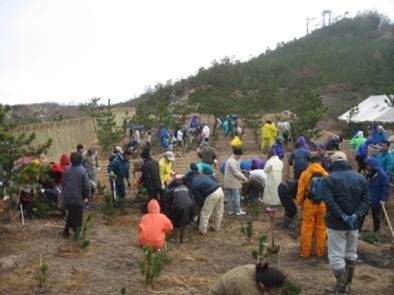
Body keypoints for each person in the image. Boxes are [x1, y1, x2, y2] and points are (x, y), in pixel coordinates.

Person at [324, 151, 370, 293]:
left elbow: (329, 201)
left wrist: (343, 216)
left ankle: (340, 287)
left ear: (332, 162)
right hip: (354, 224)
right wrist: (356, 215)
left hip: (336, 223)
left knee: (336, 256)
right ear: (346, 161)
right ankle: (348, 285)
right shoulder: (360, 178)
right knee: (350, 253)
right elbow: (367, 200)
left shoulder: (330, 179)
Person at [295, 156, 328, 257]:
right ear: (320, 162)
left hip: (309, 204)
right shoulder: (326, 174)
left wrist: (299, 204)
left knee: (307, 228)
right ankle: (320, 251)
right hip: (322, 204)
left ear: (310, 163)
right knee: (321, 228)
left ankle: (305, 252)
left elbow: (300, 191)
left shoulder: (305, 174)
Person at [209, 262, 286, 295]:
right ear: (262, 285)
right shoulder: (248, 287)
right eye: (271, 289)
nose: (272, 292)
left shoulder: (258, 270)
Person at [63, 152, 91, 238]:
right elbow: (86, 185)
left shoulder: (66, 169)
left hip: (67, 197)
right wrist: (86, 196)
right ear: (80, 160)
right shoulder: (82, 170)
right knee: (78, 218)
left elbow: (64, 183)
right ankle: (77, 235)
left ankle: (66, 231)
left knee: (71, 213)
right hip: (77, 198)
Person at [190, 167, 224, 234]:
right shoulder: (203, 176)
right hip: (220, 190)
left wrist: (200, 205)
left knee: (205, 213)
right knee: (218, 211)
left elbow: (198, 198)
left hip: (212, 194)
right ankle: (216, 227)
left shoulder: (194, 184)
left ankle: (202, 231)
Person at [162, 175, 196, 243]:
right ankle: (184, 237)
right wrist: (193, 212)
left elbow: (166, 203)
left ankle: (176, 238)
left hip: (177, 207)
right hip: (190, 205)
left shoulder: (170, 190)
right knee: (187, 220)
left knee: (175, 221)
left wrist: (168, 215)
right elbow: (193, 200)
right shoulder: (186, 188)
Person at [360, 157, 390, 233]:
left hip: (376, 199)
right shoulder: (369, 174)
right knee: (362, 214)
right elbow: (364, 183)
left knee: (376, 216)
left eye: (368, 165)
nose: (367, 167)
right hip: (367, 198)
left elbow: (385, 188)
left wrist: (383, 198)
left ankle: (376, 231)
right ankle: (358, 230)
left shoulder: (382, 176)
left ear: (373, 166)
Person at [224, 148, 248, 215]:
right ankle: (238, 211)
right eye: (240, 156)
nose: (240, 157)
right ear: (237, 154)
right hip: (233, 182)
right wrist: (244, 178)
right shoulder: (232, 161)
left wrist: (242, 171)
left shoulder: (230, 160)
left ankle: (231, 210)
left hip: (229, 181)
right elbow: (236, 173)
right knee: (236, 197)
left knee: (230, 196)